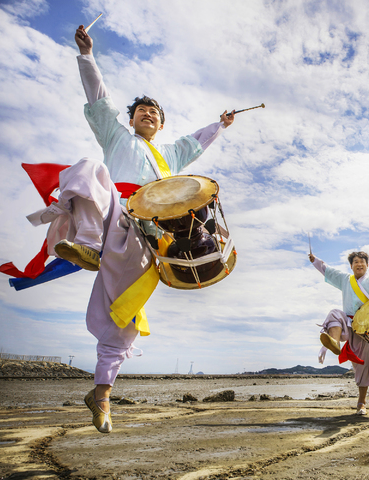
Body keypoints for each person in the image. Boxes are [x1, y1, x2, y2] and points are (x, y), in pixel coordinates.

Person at [26, 25, 235, 433]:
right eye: (141, 110)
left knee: (121, 316)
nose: (148, 114)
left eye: (155, 112)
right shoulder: (117, 136)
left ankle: (101, 395)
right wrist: (86, 56)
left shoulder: (171, 154)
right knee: (87, 169)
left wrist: (221, 124)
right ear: (132, 118)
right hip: (110, 211)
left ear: (160, 123)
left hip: (145, 236)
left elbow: (197, 142)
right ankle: (86, 245)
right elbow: (98, 99)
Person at [308, 251, 369, 415]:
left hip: (367, 329)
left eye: (362, 262)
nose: (359, 264)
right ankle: (334, 341)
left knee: (362, 366)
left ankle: (361, 403)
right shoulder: (345, 279)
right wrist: (315, 261)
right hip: (348, 323)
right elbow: (327, 270)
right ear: (351, 266)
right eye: (356, 262)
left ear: (367, 265)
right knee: (334, 314)